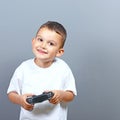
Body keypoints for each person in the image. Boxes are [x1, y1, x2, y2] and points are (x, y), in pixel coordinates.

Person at [7, 21, 77, 120]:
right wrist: (20, 100)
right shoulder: (23, 68)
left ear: (59, 52)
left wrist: (60, 95)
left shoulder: (63, 68)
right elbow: (11, 93)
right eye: (40, 40)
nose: (43, 46)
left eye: (51, 43)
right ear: (33, 41)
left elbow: (71, 94)